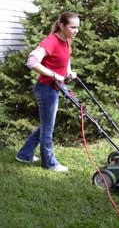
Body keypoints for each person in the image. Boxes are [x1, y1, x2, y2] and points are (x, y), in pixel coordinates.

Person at [16, 11, 80, 172]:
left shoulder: (66, 40)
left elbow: (66, 58)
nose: (76, 30)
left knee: (46, 125)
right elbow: (31, 60)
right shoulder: (51, 41)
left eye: (77, 27)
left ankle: (25, 154)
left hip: (54, 88)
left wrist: (69, 71)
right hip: (46, 89)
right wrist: (53, 74)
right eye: (73, 27)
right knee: (48, 128)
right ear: (62, 25)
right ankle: (49, 163)